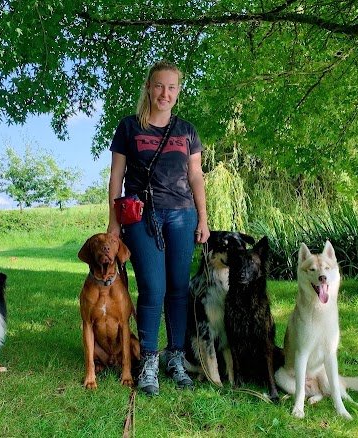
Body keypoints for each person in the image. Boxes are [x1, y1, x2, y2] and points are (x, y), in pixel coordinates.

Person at [107, 60, 210, 396]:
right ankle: (149, 360)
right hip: (141, 216)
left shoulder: (187, 131)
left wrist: (203, 218)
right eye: (159, 86)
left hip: (182, 215)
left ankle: (175, 358)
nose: (165, 93)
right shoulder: (129, 127)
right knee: (153, 287)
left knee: (178, 288)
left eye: (172, 87)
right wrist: (113, 223)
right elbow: (116, 177)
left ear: (177, 92)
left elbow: (195, 176)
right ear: (149, 88)